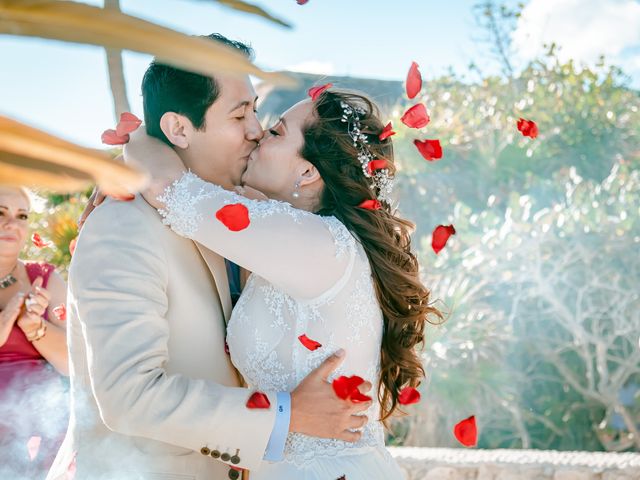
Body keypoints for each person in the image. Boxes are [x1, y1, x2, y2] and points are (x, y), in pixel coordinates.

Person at [47, 34, 371, 480]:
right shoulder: (121, 226)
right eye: (241, 114)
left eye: (256, 111)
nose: (256, 129)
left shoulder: (242, 216)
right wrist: (283, 417)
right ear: (180, 129)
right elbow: (128, 396)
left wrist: (141, 145)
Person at [124, 86, 442, 479]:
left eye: (276, 133)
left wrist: (140, 136)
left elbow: (167, 188)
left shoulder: (320, 245)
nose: (258, 134)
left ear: (308, 171)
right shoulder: (300, 238)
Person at [0, 186, 69, 479]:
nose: (12, 224)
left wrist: (35, 328)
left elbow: (75, 364)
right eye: (0, 213)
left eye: (22, 215)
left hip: (43, 425)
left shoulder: (45, 278)